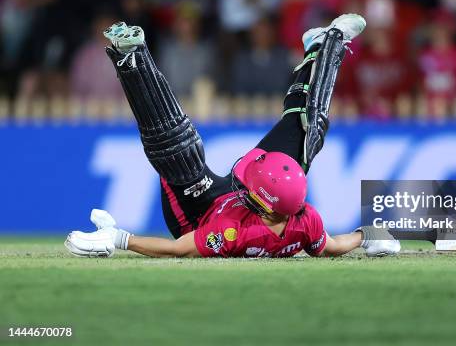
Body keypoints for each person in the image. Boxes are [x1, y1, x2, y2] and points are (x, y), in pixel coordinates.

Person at [64, 14, 401, 259]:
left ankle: (132, 58)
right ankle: (322, 45)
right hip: (246, 203)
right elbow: (334, 246)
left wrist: (120, 239)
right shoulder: (303, 220)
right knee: (308, 133)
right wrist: (367, 234)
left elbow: (177, 249)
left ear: (263, 203)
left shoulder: (229, 232)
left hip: (199, 215)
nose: (249, 167)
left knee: (179, 149)